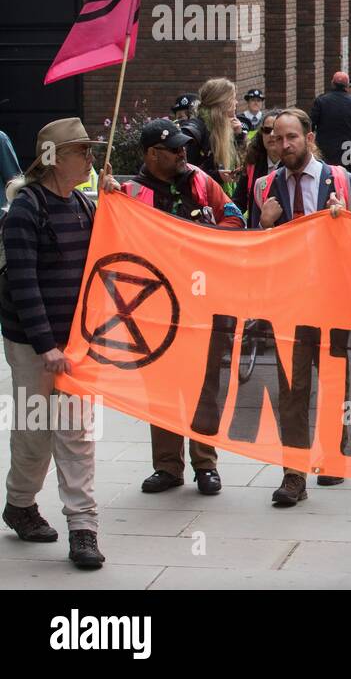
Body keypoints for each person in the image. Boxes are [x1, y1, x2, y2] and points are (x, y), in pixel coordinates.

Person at [100, 119, 244, 496]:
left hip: (203, 302)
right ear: (152, 155)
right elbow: (109, 238)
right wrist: (106, 198)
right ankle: (167, 467)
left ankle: (206, 465)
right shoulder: (130, 192)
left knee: (204, 386)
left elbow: (235, 217)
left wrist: (205, 242)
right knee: (161, 386)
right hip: (155, 308)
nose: (184, 153)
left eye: (185, 147)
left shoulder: (201, 180)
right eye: (175, 149)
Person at [248, 108, 351, 504]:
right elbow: (251, 251)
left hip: (332, 300)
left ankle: (333, 456)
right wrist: (264, 226)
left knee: (335, 382)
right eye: (277, 139)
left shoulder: (343, 181)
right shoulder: (265, 187)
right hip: (287, 303)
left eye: (291, 137)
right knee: (291, 388)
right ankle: (293, 474)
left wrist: (345, 221)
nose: (284, 145)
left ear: (309, 137)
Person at [0, 119, 104, 569]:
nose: (90, 158)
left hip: (76, 344)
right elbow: (23, 283)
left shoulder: (83, 203)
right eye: (81, 151)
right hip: (34, 345)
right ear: (52, 158)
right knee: (35, 433)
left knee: (76, 433)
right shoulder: (26, 210)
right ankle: (20, 503)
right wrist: (46, 346)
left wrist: (115, 205)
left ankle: (83, 527)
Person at [181, 77, 240, 184]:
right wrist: (216, 176)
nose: (236, 103)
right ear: (222, 102)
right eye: (233, 99)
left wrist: (239, 136)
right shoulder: (194, 131)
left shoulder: (222, 128)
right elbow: (183, 172)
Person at [233, 108, 284, 215]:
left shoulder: (295, 165)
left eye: (276, 130)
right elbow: (238, 202)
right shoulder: (253, 163)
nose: (271, 134)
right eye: (267, 130)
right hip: (256, 229)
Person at [310, 70, 351, 165]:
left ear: (332, 84)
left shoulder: (321, 101)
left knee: (326, 175)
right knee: (348, 175)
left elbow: (312, 124)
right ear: (347, 86)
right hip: (348, 147)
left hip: (325, 148)